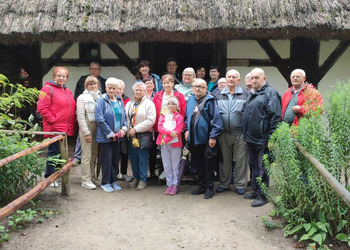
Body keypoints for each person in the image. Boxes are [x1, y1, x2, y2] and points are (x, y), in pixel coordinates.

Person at [242, 68, 282, 207]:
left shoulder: (270, 93)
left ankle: (263, 195)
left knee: (262, 168)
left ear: (264, 78)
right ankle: (255, 190)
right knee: (253, 166)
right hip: (251, 139)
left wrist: (271, 139)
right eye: (252, 78)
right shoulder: (253, 94)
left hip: (263, 139)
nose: (253, 80)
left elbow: (276, 117)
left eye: (257, 78)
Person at [37, 66, 76, 187]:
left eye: (64, 76)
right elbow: (42, 108)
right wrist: (53, 120)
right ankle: (49, 177)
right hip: (54, 128)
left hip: (65, 128)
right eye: (59, 75)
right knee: (53, 153)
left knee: (61, 153)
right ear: (54, 77)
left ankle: (57, 176)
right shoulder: (47, 89)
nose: (61, 78)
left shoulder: (67, 91)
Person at [185, 78, 223, 199]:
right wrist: (186, 130)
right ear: (192, 88)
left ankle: (209, 188)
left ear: (206, 88)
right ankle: (201, 186)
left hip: (206, 139)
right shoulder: (191, 100)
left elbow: (216, 120)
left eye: (200, 87)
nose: (197, 89)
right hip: (193, 139)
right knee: (198, 164)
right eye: (195, 86)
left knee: (208, 165)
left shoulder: (210, 100)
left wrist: (213, 137)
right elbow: (187, 117)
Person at [215, 69, 249, 195]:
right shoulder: (218, 94)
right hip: (223, 133)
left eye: (234, 77)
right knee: (225, 160)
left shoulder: (246, 95)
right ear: (226, 78)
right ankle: (224, 183)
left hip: (240, 133)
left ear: (238, 80)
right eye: (229, 76)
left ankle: (240, 185)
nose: (231, 79)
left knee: (241, 160)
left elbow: (248, 115)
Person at [95, 77, 128, 193]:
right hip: (106, 137)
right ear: (106, 87)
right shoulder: (101, 101)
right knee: (106, 160)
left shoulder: (119, 100)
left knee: (115, 160)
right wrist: (110, 134)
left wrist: (124, 129)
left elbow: (124, 117)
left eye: (114, 88)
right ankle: (105, 182)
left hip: (118, 137)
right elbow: (100, 119)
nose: (112, 90)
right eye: (110, 88)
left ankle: (113, 181)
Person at [153, 74, 186, 180]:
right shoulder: (158, 96)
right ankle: (167, 176)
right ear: (161, 84)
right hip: (162, 129)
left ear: (173, 83)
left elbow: (184, 112)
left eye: (169, 82)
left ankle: (176, 179)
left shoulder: (179, 96)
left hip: (176, 131)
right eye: (164, 83)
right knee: (164, 154)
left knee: (175, 156)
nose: (166, 85)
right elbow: (154, 112)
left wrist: (181, 128)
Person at [72, 62, 107, 166]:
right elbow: (77, 94)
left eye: (96, 69)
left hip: (97, 117)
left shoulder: (104, 81)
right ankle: (77, 157)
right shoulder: (82, 80)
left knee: (94, 149)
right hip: (85, 113)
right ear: (89, 69)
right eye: (92, 69)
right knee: (82, 137)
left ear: (100, 70)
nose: (94, 71)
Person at [125, 82, 156, 191]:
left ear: (145, 91)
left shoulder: (149, 104)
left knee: (142, 158)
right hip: (131, 136)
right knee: (133, 158)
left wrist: (136, 129)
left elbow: (151, 120)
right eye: (136, 90)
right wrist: (128, 129)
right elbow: (126, 118)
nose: (138, 92)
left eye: (140, 90)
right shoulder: (129, 103)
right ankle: (136, 177)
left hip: (143, 135)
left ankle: (143, 179)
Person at [76, 76, 102, 190]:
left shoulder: (101, 97)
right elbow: (80, 116)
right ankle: (86, 179)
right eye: (90, 84)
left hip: (98, 128)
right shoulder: (82, 97)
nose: (93, 86)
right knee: (86, 154)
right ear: (86, 86)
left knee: (94, 155)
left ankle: (93, 177)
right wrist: (86, 132)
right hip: (87, 127)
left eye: (95, 84)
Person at [156, 97, 184, 196]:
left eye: (173, 104)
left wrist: (167, 138)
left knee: (175, 164)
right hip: (164, 143)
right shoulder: (162, 116)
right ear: (166, 105)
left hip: (175, 143)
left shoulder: (179, 117)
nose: (171, 106)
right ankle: (169, 184)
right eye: (169, 103)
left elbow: (178, 130)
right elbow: (160, 128)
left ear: (176, 106)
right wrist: (169, 133)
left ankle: (175, 184)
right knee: (167, 164)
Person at [115, 79, 132, 182]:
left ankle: (124, 173)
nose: (118, 90)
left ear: (123, 89)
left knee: (124, 153)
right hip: (115, 131)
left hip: (125, 131)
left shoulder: (127, 100)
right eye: (116, 88)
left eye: (120, 88)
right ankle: (115, 173)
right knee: (115, 153)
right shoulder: (111, 99)